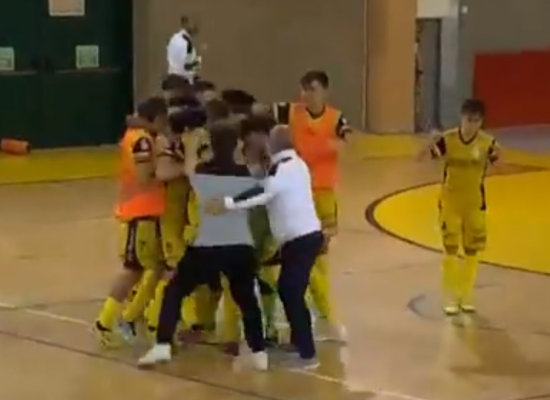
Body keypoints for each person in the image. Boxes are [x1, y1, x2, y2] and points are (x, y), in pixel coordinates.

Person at [138, 118, 267, 370]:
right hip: (240, 246)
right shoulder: (247, 174)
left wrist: (191, 145)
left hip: (207, 246)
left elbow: (188, 168)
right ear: (237, 145)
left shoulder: (203, 171)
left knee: (174, 290)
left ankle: (162, 345)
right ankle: (259, 352)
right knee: (246, 298)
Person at [207, 125, 324, 371]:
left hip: (301, 240)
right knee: (289, 290)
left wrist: (228, 203)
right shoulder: (296, 165)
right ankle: (301, 343)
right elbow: (264, 180)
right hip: (301, 239)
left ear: (274, 145)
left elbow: (263, 192)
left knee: (290, 291)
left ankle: (307, 354)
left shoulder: (283, 169)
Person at [270, 70, 349, 342]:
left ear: (324, 91)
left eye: (312, 89)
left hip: (322, 194)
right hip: (295, 194)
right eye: (303, 89)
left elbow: (349, 142)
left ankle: (325, 318)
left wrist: (330, 146)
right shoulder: (289, 112)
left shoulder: (336, 118)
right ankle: (295, 315)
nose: (306, 95)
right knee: (291, 258)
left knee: (318, 260)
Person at [93, 97, 168, 346]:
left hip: (143, 213)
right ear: (157, 118)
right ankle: (110, 322)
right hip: (140, 214)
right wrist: (168, 165)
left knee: (146, 269)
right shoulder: (142, 140)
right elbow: (145, 176)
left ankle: (125, 318)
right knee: (136, 270)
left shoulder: (138, 136)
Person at [420, 99, 500, 315]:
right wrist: (427, 145)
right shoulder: (448, 140)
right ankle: (450, 296)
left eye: (476, 121)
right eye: (468, 120)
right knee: (451, 249)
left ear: (482, 122)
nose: (471, 125)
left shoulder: (487, 142)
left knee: (472, 249)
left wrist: (499, 156)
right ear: (461, 117)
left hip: (475, 203)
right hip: (450, 202)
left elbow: (500, 164)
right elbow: (422, 159)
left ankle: (466, 295)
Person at [167, 15, 201, 82]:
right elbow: (189, 68)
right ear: (184, 23)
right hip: (181, 80)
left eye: (197, 24)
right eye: (193, 23)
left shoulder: (175, 38)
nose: (196, 27)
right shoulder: (185, 42)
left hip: (174, 79)